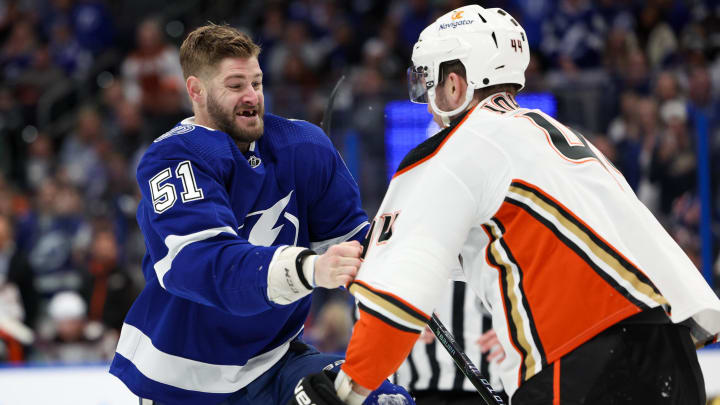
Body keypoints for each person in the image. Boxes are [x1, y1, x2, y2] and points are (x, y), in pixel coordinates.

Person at [292, 5, 720, 405]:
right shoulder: (548, 134)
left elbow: (396, 299)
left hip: (580, 361)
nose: (425, 99)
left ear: (455, 84)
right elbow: (510, 244)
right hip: (671, 354)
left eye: (427, 81)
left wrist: (346, 390)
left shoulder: (453, 148)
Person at [109, 24, 412, 405]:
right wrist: (311, 269)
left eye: (257, 82)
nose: (252, 96)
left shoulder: (303, 146)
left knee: (379, 401)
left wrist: (411, 262)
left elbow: (355, 249)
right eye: (235, 86)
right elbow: (204, 266)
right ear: (196, 91)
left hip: (275, 361)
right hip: (184, 377)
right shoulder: (174, 158)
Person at [392, 280, 507, 405]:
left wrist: (513, 331)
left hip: (487, 388)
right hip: (416, 387)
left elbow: (525, 301)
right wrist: (399, 322)